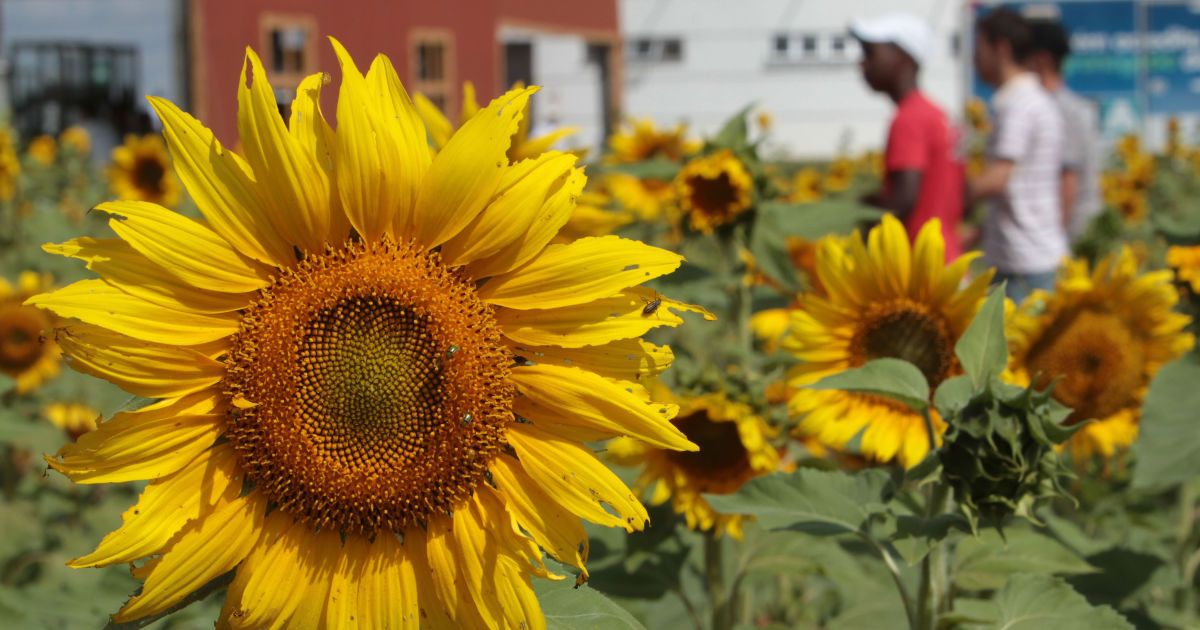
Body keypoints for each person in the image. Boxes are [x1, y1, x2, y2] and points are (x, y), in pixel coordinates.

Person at [969, 8, 1067, 302]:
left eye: (979, 50)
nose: (975, 61)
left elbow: (998, 179)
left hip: (1024, 263)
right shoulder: (1036, 100)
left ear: (1001, 49)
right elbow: (1023, 190)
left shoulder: (1019, 105)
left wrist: (947, 199)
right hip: (1035, 252)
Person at [851, 13, 964, 260]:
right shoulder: (937, 114)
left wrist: (854, 214)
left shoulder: (909, 119)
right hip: (947, 258)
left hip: (919, 271)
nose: (862, 64)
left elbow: (902, 202)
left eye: (870, 53)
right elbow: (962, 195)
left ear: (902, 59)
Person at [1028, 18, 1102, 241]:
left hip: (1073, 235)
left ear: (1042, 60)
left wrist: (1053, 244)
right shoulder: (1061, 105)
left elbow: (1068, 181)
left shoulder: (1061, 109)